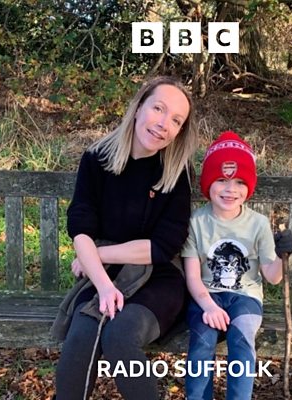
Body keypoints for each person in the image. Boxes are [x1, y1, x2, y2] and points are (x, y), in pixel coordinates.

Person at [52, 76, 198, 400]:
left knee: (120, 334)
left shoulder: (177, 171)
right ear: (138, 106)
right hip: (105, 275)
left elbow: (163, 247)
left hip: (159, 278)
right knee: (83, 335)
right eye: (158, 109)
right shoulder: (96, 159)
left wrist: (96, 256)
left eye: (176, 120)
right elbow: (80, 227)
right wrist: (103, 284)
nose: (164, 124)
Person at [181, 131, 292, 400]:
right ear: (208, 183)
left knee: (242, 339)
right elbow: (193, 277)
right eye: (222, 179)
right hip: (205, 296)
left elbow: (272, 277)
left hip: (246, 297)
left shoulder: (258, 223)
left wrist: (283, 256)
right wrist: (209, 306)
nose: (230, 189)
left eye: (239, 181)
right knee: (202, 342)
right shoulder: (196, 222)